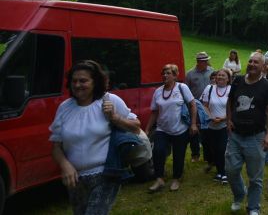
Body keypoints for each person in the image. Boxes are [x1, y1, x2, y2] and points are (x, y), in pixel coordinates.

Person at [50, 60, 140, 215]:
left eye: (83, 81)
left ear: (95, 82)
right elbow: (56, 147)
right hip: (75, 178)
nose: (77, 85)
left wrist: (115, 117)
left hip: (105, 174)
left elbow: (136, 127)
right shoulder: (65, 107)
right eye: (74, 81)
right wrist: (65, 165)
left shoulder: (109, 100)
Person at [226, 52, 268, 215]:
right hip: (236, 135)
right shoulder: (238, 81)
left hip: (256, 136)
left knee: (255, 177)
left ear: (263, 66)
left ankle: (253, 207)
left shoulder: (267, 86)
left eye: (256, 62)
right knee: (231, 170)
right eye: (250, 61)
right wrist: (229, 119)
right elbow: (230, 101)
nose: (252, 64)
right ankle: (240, 193)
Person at [146, 63, 197, 192]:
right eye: (163, 73)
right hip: (162, 129)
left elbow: (192, 105)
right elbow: (154, 112)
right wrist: (147, 129)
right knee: (158, 152)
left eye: (168, 73)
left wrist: (193, 124)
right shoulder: (158, 91)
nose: (165, 75)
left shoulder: (182, 88)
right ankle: (159, 179)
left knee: (178, 155)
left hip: (180, 130)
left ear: (175, 76)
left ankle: (176, 178)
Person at [201, 68, 232, 184]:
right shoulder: (209, 88)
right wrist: (211, 117)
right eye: (219, 75)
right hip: (211, 125)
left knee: (222, 149)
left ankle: (225, 173)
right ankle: (219, 172)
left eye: (223, 75)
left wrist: (223, 118)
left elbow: (234, 108)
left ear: (228, 79)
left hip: (225, 125)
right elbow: (204, 105)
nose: (220, 77)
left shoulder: (231, 89)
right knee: (214, 150)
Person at [185, 51, 213, 163]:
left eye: (207, 61)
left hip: (208, 105)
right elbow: (186, 91)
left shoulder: (211, 71)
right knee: (194, 129)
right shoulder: (190, 74)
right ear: (198, 62)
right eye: (204, 61)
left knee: (207, 130)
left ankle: (208, 156)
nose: (206, 63)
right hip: (195, 105)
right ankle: (195, 154)